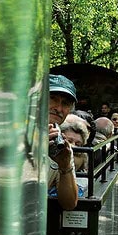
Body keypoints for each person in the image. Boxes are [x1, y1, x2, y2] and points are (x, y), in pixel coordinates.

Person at [47, 74, 79, 210]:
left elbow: (70, 204)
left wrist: (65, 166)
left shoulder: (61, 144)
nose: (59, 108)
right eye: (53, 98)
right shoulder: (13, 131)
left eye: (65, 103)